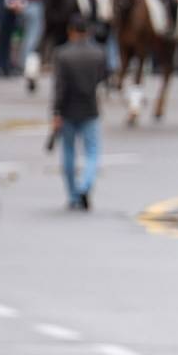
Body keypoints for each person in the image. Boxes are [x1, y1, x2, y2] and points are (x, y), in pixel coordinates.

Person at [50, 14, 110, 211]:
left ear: (71, 31)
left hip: (67, 109)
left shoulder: (62, 54)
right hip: (90, 107)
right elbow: (103, 77)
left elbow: (59, 87)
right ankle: (85, 185)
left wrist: (56, 112)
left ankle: (73, 194)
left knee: (68, 153)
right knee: (92, 152)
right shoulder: (99, 53)